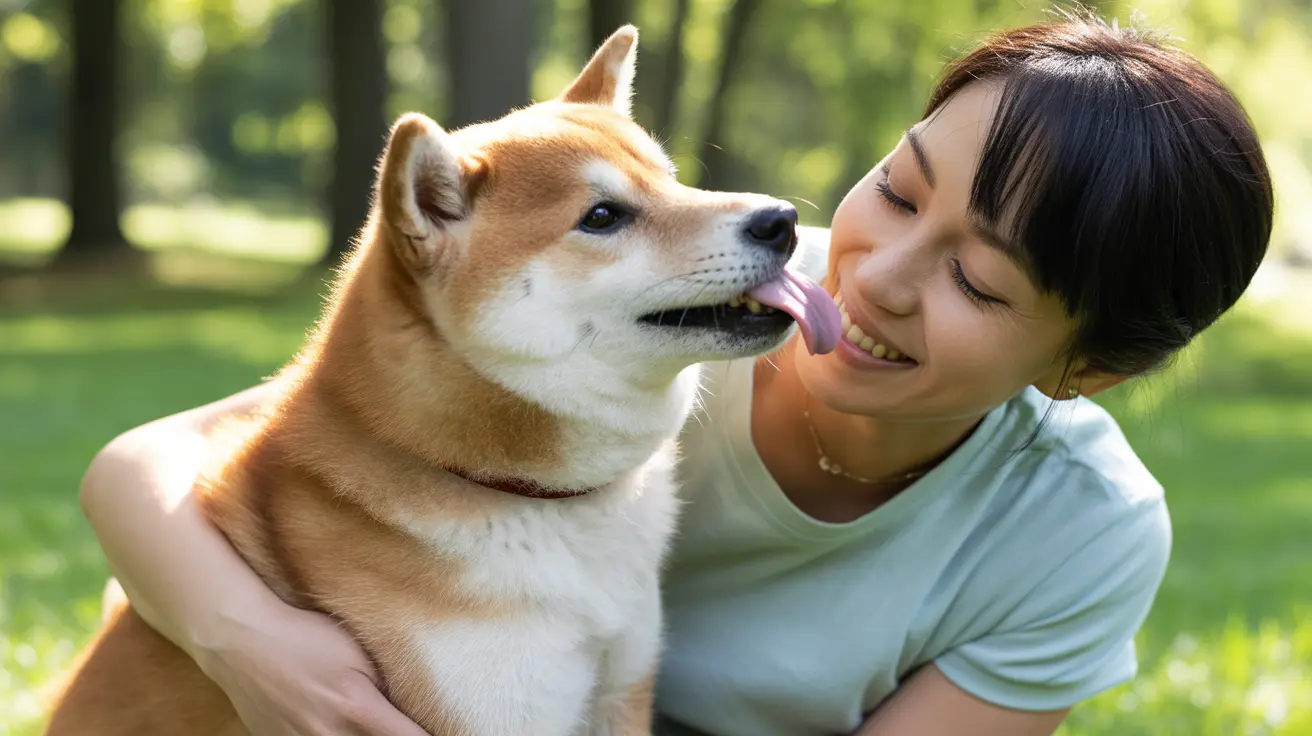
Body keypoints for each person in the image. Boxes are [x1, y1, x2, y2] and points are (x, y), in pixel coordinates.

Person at [75, 12, 1272, 736]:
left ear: (1085, 367)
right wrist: (254, 644)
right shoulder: (681, 308)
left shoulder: (1079, 530)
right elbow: (153, 462)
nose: (876, 279)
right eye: (899, 191)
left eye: (977, 280)